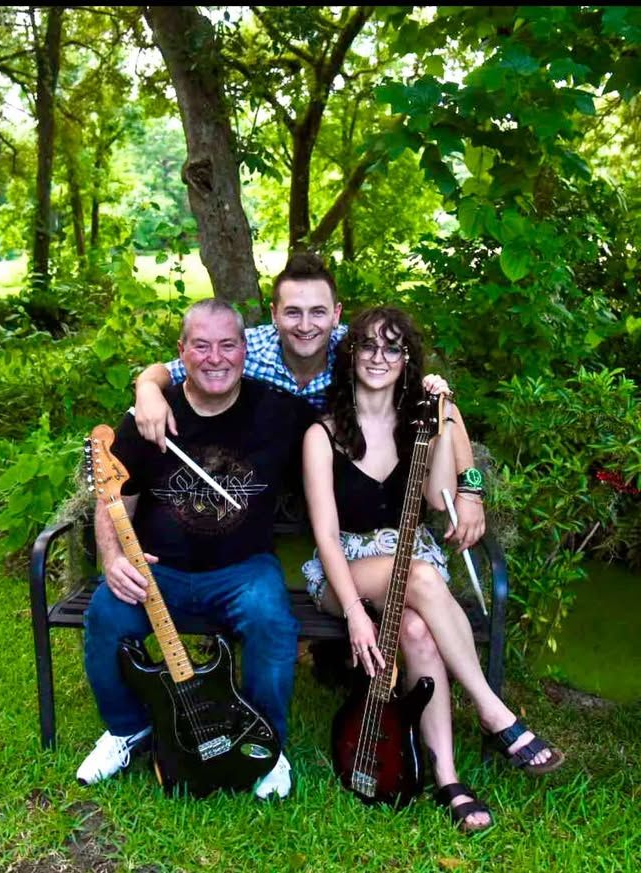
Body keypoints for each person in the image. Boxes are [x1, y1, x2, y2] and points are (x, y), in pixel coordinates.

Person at [301, 305, 565, 832]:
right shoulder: (322, 433)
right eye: (368, 346)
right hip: (343, 570)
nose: (379, 357)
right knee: (422, 577)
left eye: (392, 348)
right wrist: (354, 613)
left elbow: (436, 497)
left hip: (409, 559)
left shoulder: (415, 426)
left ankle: (446, 778)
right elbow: (326, 536)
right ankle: (492, 710)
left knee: (418, 631)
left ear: (407, 360)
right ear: (350, 354)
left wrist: (445, 417)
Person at [77, 298, 314, 799]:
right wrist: (114, 557)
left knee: (272, 619)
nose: (215, 357)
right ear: (181, 352)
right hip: (159, 571)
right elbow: (112, 494)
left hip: (242, 570)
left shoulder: (278, 414)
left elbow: (358, 430)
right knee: (104, 614)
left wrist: (447, 433)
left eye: (228, 344)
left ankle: (265, 742)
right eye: (201, 346)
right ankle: (126, 730)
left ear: (245, 350)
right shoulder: (149, 418)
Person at [133, 253, 486, 553]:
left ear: (336, 314)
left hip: (341, 493)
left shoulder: (361, 352)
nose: (305, 326)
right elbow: (170, 369)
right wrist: (148, 388)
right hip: (255, 481)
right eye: (292, 312)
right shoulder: (245, 350)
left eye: (318, 312)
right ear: (274, 314)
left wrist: (470, 491)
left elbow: (440, 404)